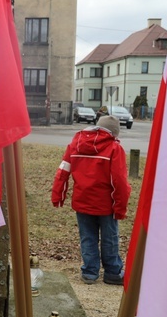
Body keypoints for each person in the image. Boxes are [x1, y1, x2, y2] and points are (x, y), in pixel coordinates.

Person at [51, 115, 131, 285]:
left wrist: (58, 195)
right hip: (106, 205)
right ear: (114, 133)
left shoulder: (75, 144)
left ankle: (89, 271)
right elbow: (120, 182)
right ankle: (113, 272)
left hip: (82, 201)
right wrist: (120, 207)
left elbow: (63, 171)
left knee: (87, 237)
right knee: (110, 238)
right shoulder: (114, 149)